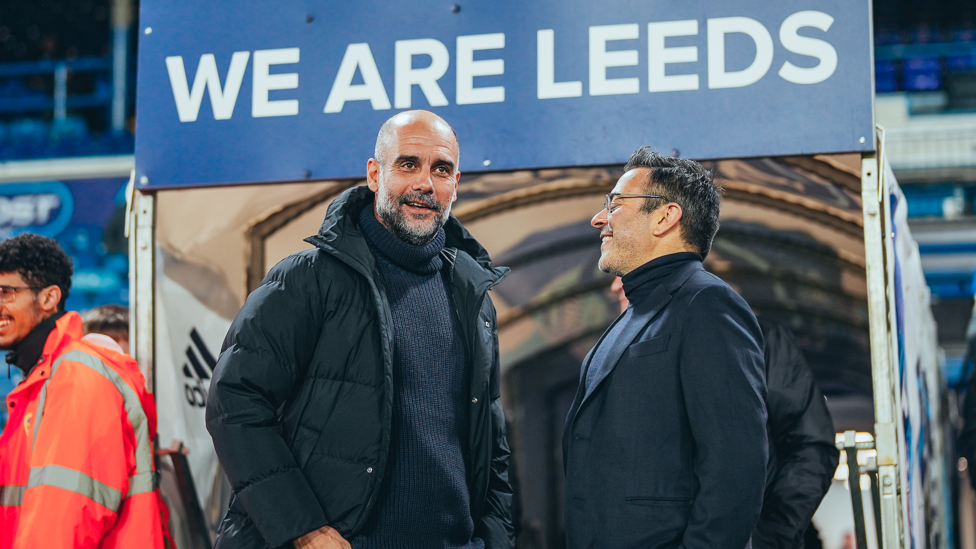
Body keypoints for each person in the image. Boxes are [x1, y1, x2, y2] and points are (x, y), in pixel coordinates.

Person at [206, 110, 514, 549]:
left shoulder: (473, 297)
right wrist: (302, 528)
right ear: (374, 174)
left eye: (441, 169)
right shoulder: (307, 278)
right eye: (408, 164)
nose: (425, 183)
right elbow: (233, 402)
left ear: (456, 184)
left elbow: (492, 443)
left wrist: (493, 541)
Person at [562, 148, 768, 549]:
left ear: (665, 217)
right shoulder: (634, 314)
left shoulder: (707, 305)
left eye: (616, 204)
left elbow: (735, 468)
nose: (599, 219)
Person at [607, 282, 838, 549]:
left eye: (626, 273)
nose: (614, 286)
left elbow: (811, 446)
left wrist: (769, 535)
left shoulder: (757, 338)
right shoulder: (619, 356)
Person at [0, 233, 165, 548]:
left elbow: (63, 521)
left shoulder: (75, 378)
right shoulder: (43, 380)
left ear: (49, 298)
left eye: (6, 292)